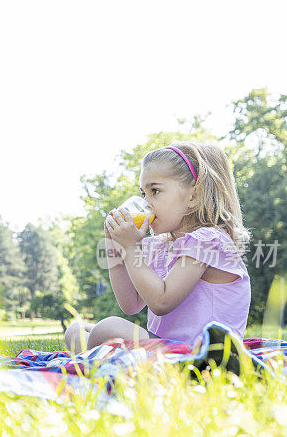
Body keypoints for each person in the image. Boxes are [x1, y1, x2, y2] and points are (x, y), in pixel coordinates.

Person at [64, 142, 251, 353]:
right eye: (143, 193)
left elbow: (161, 301)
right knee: (76, 331)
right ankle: (96, 363)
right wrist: (115, 248)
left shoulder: (207, 242)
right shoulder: (163, 245)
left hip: (202, 352)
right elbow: (131, 304)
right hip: (167, 349)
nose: (146, 203)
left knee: (107, 329)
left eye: (155, 191)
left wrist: (131, 249)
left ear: (194, 196)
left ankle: (94, 364)